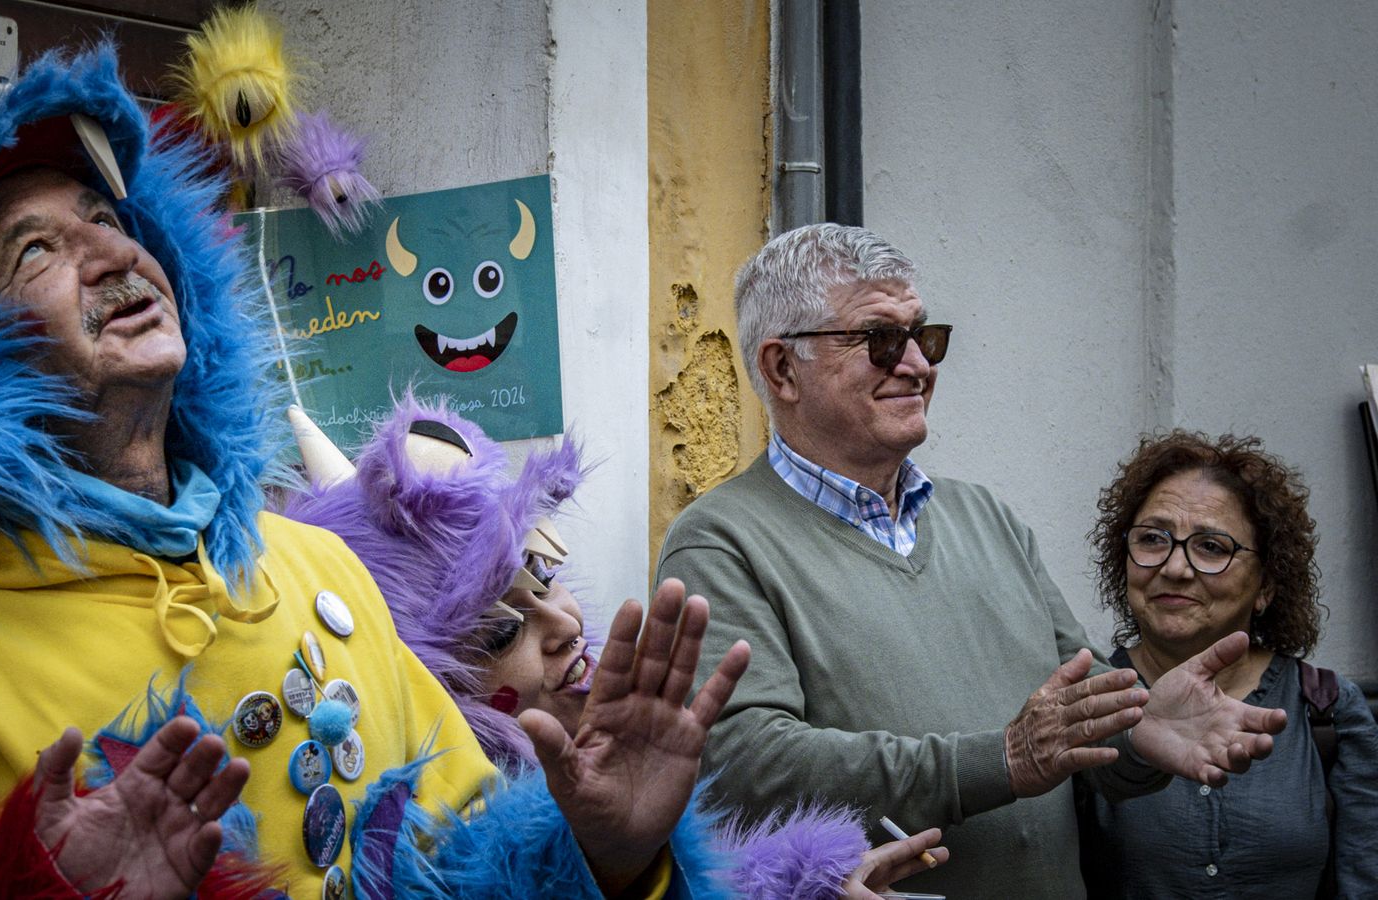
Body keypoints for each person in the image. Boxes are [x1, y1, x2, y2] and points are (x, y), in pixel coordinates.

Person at [0, 46, 745, 898]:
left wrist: (606, 859)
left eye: (109, 218)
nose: (114, 252)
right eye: (36, 249)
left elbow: (469, 868)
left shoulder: (316, 570)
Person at [654, 223, 1290, 899]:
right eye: (880, 341)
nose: (919, 366)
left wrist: (1143, 735)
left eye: (924, 337)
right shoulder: (722, 540)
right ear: (784, 368)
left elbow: (1078, 720)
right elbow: (750, 765)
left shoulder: (985, 517)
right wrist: (997, 762)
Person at [281, 396, 950, 899]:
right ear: (424, 682)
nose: (566, 622)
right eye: (503, 630)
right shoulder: (415, 848)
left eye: (545, 578)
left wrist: (812, 886)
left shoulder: (599, 755)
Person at [1077, 431, 1378, 897]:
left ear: (1266, 587)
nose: (1175, 568)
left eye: (1212, 547)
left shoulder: (1328, 710)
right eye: (1153, 539)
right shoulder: (1089, 701)